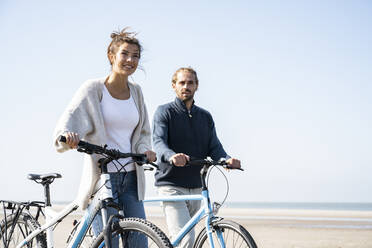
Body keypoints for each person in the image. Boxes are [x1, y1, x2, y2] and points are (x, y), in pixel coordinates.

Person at [53, 28, 156, 245]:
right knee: (108, 242)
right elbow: (69, 120)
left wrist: (145, 149)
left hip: (131, 178)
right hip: (103, 177)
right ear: (112, 55)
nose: (130, 60)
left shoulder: (136, 92)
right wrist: (67, 136)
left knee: (139, 242)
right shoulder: (93, 89)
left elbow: (144, 132)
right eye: (125, 54)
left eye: (135, 56)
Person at [152, 67, 241, 248]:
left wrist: (227, 159)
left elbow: (214, 146)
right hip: (171, 186)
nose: (186, 86)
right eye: (182, 82)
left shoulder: (205, 117)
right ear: (174, 86)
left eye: (190, 82)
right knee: (186, 240)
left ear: (197, 86)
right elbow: (158, 142)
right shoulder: (164, 112)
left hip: (197, 187)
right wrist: (171, 156)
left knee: (181, 241)